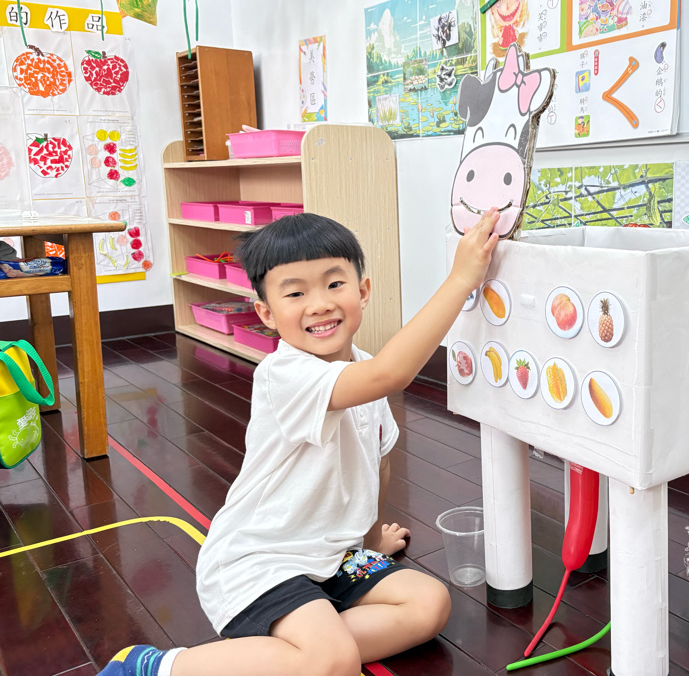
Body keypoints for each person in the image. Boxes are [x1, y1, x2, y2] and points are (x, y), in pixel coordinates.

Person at [100, 209, 501, 676]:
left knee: (430, 604)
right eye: (296, 293)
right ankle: (155, 667)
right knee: (333, 661)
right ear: (267, 314)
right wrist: (460, 279)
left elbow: (378, 463)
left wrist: (371, 542)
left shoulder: (361, 368)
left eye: (335, 284)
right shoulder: (285, 374)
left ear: (363, 291)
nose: (320, 304)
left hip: (332, 558)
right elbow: (390, 374)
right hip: (262, 561)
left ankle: (297, 649)